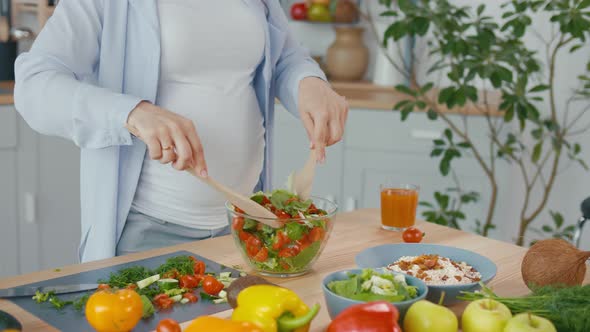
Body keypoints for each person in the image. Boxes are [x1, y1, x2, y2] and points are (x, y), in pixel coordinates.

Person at [14, 0, 348, 263]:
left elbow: (285, 57)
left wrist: (308, 81)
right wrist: (131, 112)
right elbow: (34, 85)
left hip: (245, 229)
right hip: (146, 234)